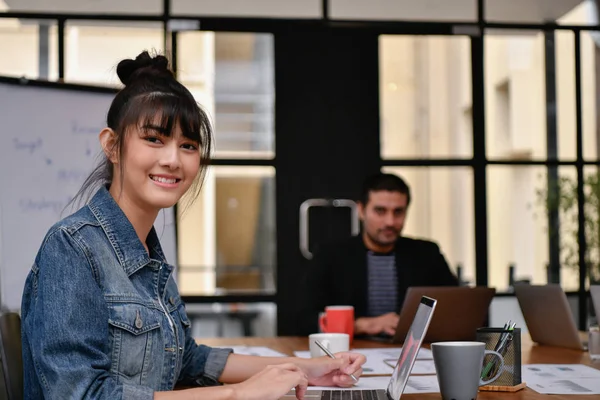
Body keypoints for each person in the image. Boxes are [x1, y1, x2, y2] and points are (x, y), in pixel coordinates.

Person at [20, 51, 365, 400]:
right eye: (154, 139)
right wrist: (238, 395)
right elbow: (79, 395)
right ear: (112, 145)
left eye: (188, 145)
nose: (172, 160)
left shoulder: (145, 251)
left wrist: (307, 369)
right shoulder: (72, 248)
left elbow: (186, 359)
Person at [301, 173, 458, 338]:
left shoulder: (427, 253)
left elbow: (457, 309)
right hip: (350, 353)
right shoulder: (331, 255)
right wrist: (362, 325)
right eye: (380, 211)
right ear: (361, 211)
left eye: (398, 212)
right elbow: (303, 319)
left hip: (412, 352)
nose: (390, 221)